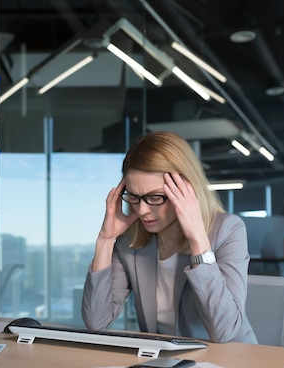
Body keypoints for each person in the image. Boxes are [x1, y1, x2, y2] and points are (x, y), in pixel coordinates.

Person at [81, 131, 257, 344]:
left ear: (186, 189)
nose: (143, 210)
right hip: (164, 365)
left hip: (228, 362)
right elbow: (96, 321)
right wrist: (105, 240)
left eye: (155, 197)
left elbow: (225, 332)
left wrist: (198, 241)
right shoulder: (130, 241)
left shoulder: (228, 230)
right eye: (135, 197)